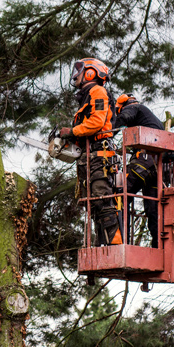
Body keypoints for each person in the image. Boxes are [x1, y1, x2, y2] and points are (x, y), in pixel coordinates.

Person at [59, 57, 122, 246]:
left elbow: (96, 122)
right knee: (93, 203)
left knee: (102, 199)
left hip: (99, 154)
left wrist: (72, 131)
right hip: (90, 155)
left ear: (90, 72)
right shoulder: (87, 96)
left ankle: (115, 244)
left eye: (79, 70)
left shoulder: (98, 91)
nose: (75, 75)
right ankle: (101, 245)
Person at [112, 93, 162, 248]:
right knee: (154, 208)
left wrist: (107, 134)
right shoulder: (148, 118)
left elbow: (124, 118)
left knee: (120, 195)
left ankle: (121, 243)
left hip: (144, 160)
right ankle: (159, 247)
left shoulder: (133, 108)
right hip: (157, 166)